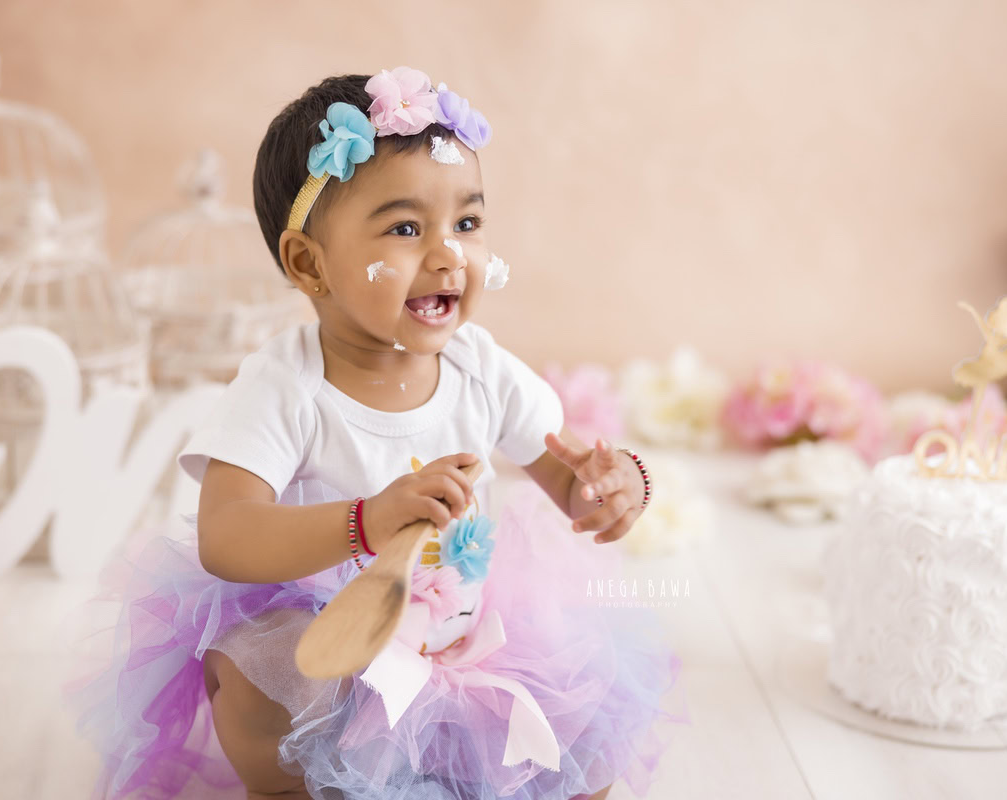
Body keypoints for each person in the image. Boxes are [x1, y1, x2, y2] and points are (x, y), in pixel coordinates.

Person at [65, 66, 686, 800]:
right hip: (328, 635)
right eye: (404, 228)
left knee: (584, 728)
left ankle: (466, 754)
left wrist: (616, 488)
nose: (448, 253)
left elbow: (570, 479)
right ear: (309, 263)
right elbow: (226, 536)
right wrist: (368, 521)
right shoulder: (286, 385)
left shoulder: (480, 368)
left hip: (462, 626)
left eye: (467, 223)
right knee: (254, 685)